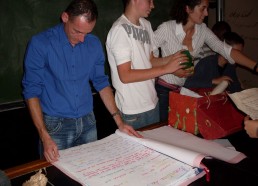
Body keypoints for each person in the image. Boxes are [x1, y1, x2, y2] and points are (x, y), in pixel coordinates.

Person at [22, 0, 142, 163]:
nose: (82, 39)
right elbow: (31, 91)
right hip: (55, 126)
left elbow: (101, 83)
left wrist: (119, 122)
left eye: (87, 33)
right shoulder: (40, 43)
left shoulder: (93, 44)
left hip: (88, 122)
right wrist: (44, 136)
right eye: (77, 31)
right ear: (65, 17)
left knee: (91, 171)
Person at [154, 0, 258, 121]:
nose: (207, 13)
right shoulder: (167, 28)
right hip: (163, 90)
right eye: (202, 9)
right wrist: (171, 69)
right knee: (164, 131)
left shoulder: (202, 30)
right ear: (188, 9)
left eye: (207, 9)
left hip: (181, 91)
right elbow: (146, 56)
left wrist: (255, 66)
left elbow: (225, 50)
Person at [106, 0, 187, 129]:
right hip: (133, 110)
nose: (153, 5)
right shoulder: (120, 30)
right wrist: (166, 69)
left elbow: (150, 60)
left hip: (152, 102)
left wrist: (173, 59)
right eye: (149, 1)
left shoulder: (146, 24)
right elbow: (125, 75)